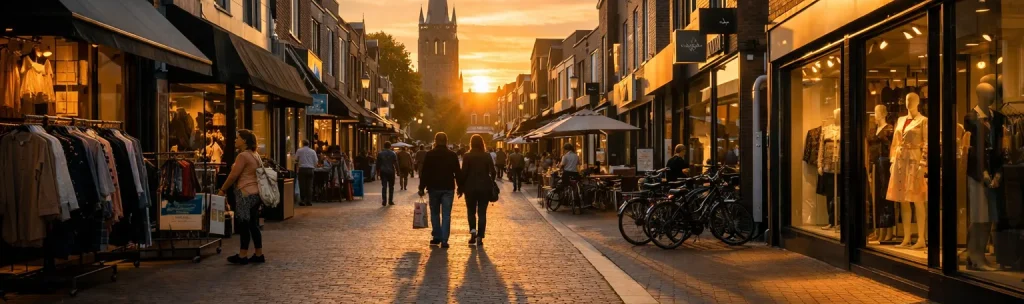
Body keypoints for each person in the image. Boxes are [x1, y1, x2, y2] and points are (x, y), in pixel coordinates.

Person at [218, 129, 265, 265]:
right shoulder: (255, 154)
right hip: (256, 193)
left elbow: (233, 175)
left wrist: (223, 189)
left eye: (237, 138)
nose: (235, 140)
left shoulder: (243, 156)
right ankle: (258, 253)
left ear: (244, 141)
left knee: (244, 224)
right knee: (253, 224)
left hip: (245, 193)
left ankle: (243, 255)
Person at [418, 132, 462, 248]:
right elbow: (457, 172)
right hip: (448, 187)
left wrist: (421, 187)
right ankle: (444, 240)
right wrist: (460, 187)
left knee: (435, 213)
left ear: (435, 141)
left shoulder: (430, 154)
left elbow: (425, 172)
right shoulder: (452, 155)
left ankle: (436, 236)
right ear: (446, 141)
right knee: (446, 215)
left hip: (434, 187)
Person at [460, 135, 496, 246]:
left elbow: (464, 173)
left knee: (471, 211)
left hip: (470, 188)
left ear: (471, 143)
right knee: (482, 213)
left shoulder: (467, 156)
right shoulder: (487, 156)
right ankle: (480, 236)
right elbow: (493, 171)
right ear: (482, 143)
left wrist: (461, 187)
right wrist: (491, 181)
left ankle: (473, 232)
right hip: (484, 187)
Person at [295, 140, 318, 206]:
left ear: (302, 144)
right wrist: (313, 165)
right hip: (310, 169)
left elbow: (296, 159)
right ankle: (309, 201)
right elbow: (316, 161)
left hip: (302, 169)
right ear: (309, 144)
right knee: (309, 186)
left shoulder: (299, 151)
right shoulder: (313, 151)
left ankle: (302, 200)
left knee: (302, 185)